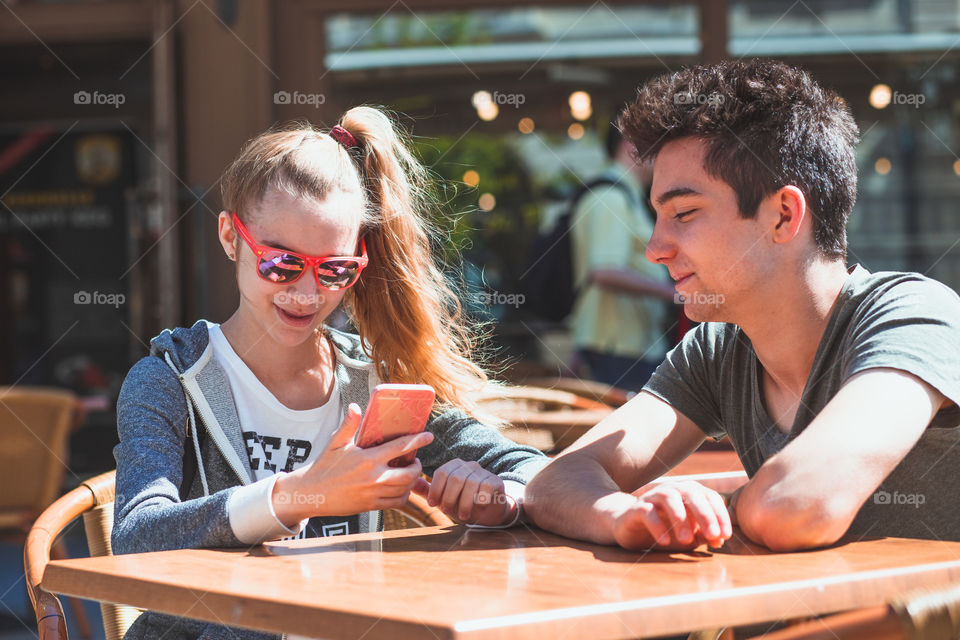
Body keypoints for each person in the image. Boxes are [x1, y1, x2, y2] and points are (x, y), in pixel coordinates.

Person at [112, 107, 548, 639]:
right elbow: (137, 537)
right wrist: (301, 494)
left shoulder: (375, 385)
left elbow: (528, 470)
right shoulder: (170, 380)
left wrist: (500, 500)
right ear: (230, 236)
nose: (307, 293)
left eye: (335, 269)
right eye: (282, 263)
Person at [526, 60, 960, 553]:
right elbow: (553, 483)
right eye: (656, 217)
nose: (655, 248)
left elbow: (795, 506)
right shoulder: (717, 350)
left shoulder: (914, 315)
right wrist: (626, 514)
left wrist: (705, 504)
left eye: (684, 213)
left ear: (783, 215)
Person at [570, 121, 675, 390]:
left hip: (624, 344)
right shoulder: (611, 197)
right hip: (618, 346)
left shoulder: (625, 195)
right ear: (631, 147)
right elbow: (605, 271)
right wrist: (674, 293)